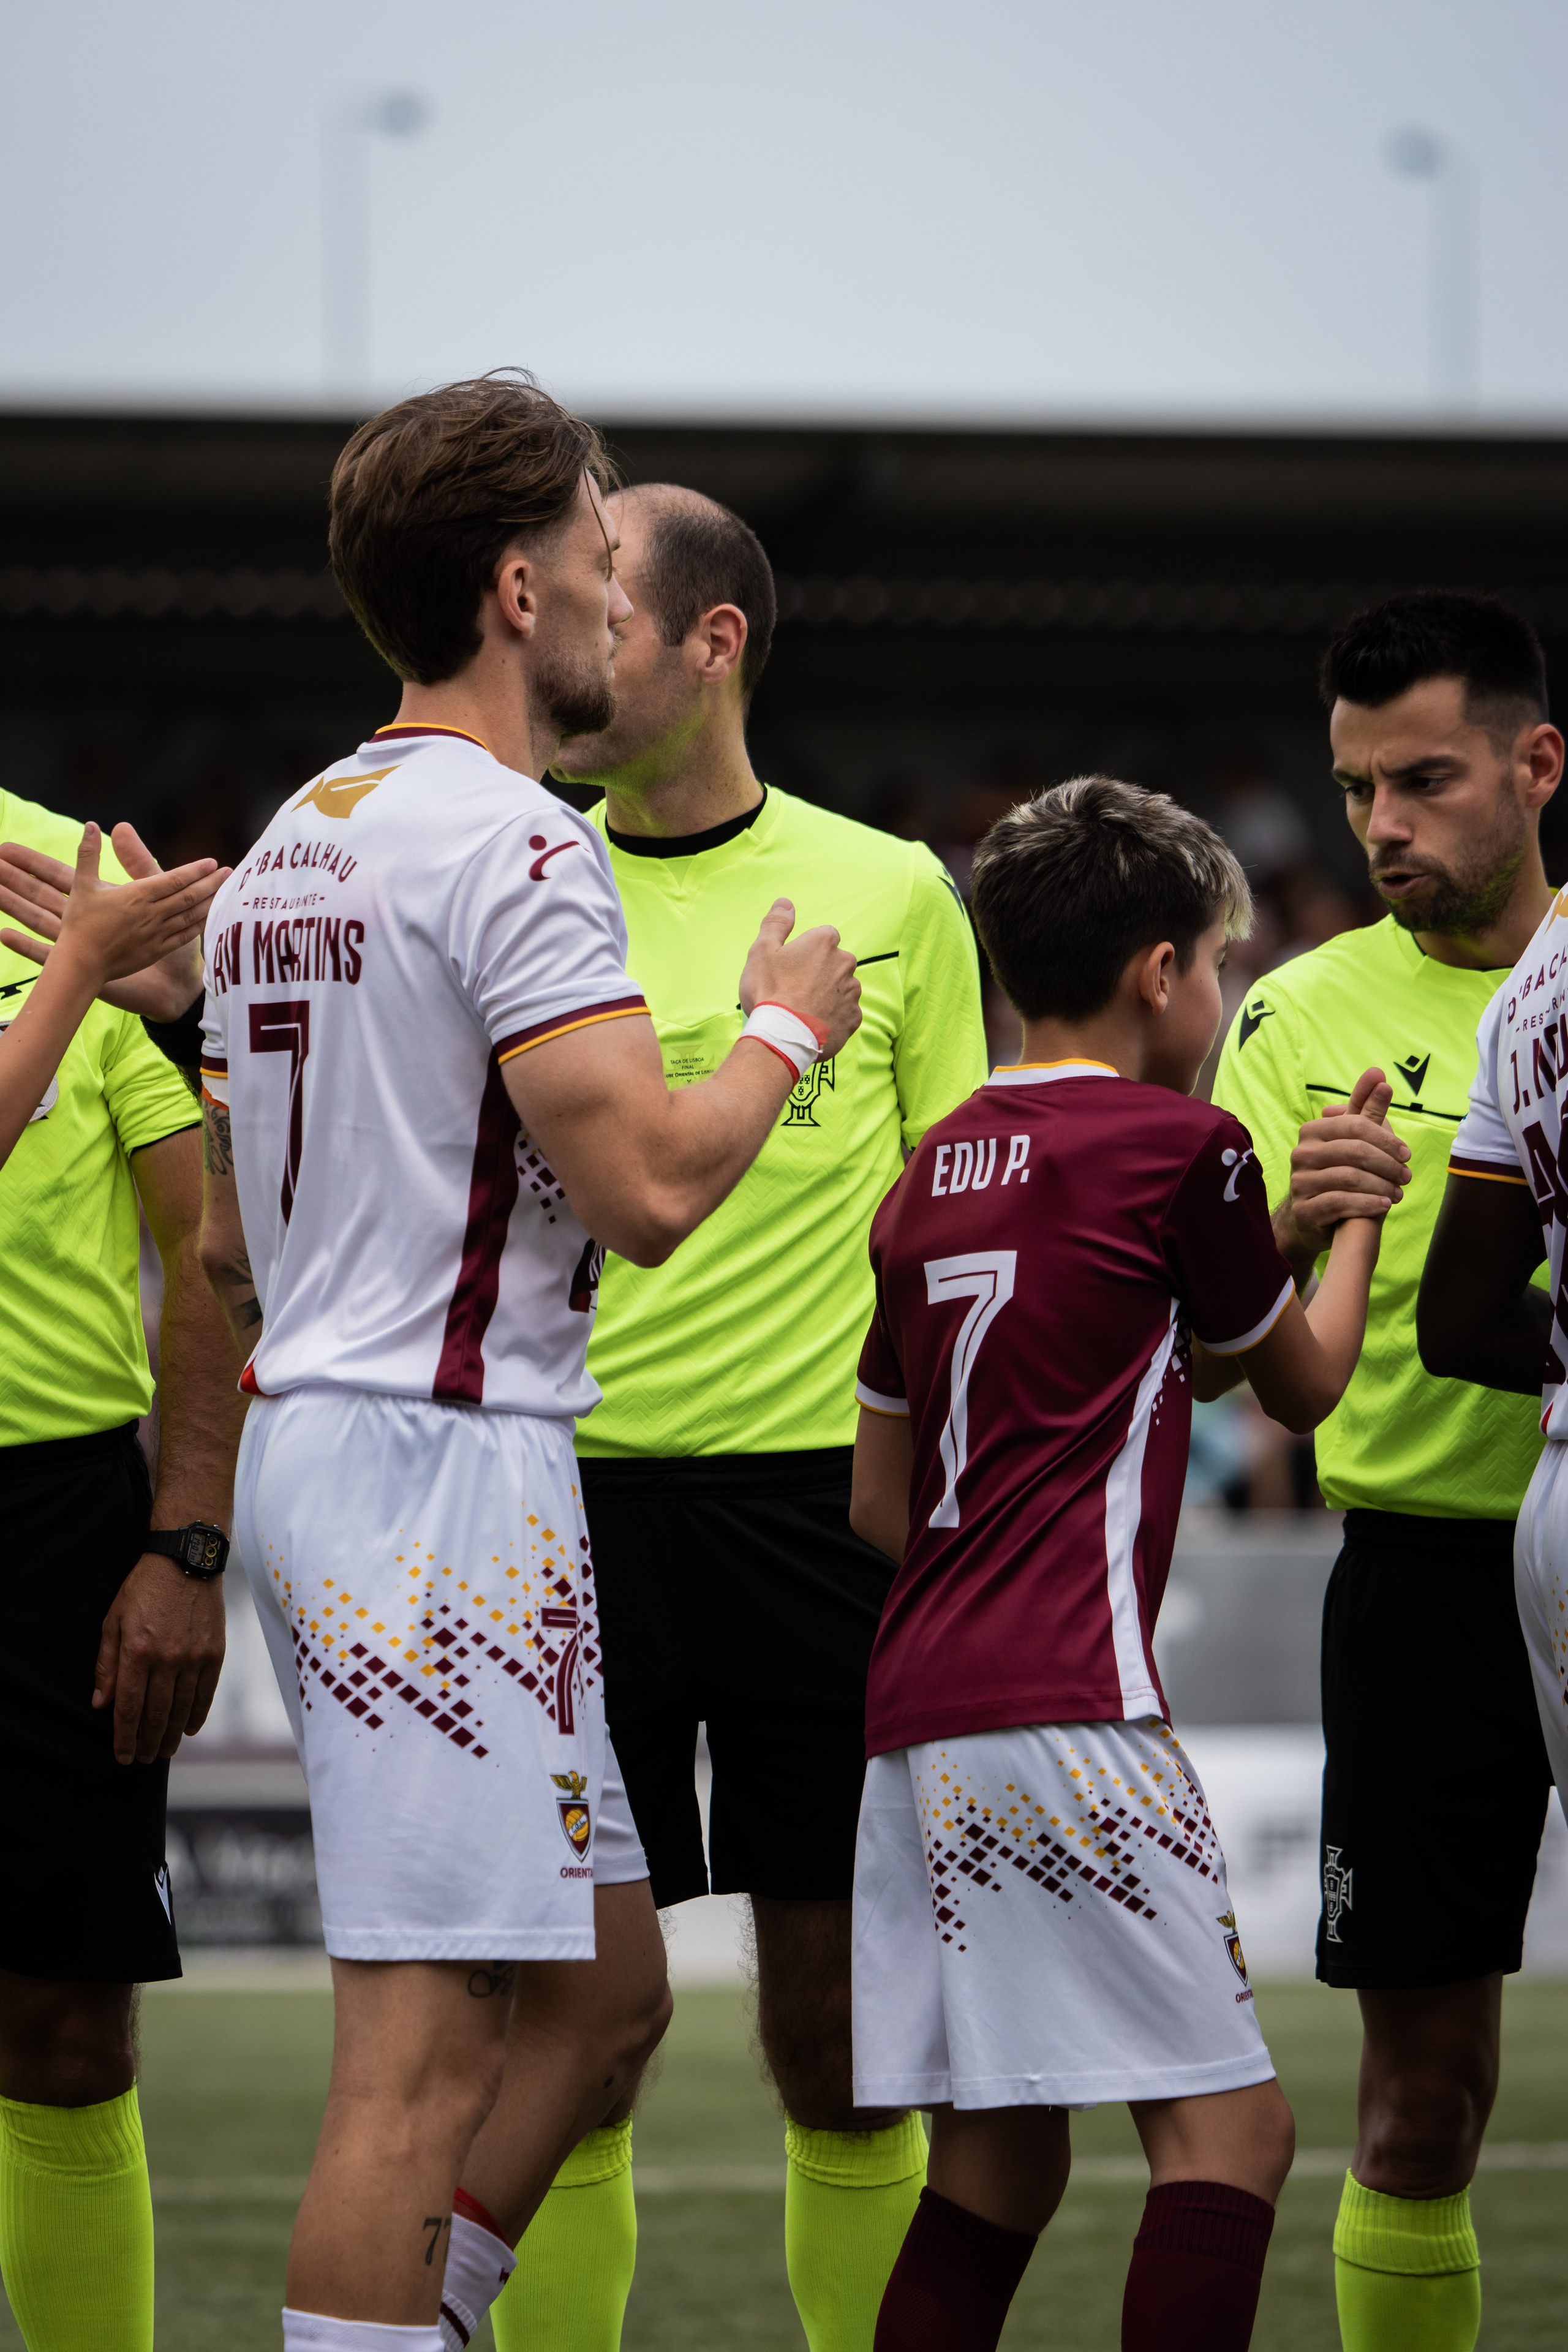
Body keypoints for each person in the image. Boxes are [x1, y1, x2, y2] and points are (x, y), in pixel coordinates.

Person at [194, 375, 862, 2352]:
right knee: (417, 2060)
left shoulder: (287, 848)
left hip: (370, 1452)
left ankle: (433, 2317)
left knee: (604, 1996)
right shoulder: (523, 848)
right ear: (514, 589)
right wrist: (785, 1030)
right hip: (442, 1483)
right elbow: (653, 1187)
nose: (606, 599)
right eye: (590, 559)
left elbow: (230, 1250)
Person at [490, 481, 987, 2352]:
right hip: (558, 1507)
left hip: (820, 1517)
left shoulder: (890, 891)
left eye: (601, 612)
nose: (561, 644)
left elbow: (958, 1218)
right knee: (570, 2038)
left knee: (839, 2037)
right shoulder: (511, 864)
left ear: (713, 642)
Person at [846, 777, 1387, 2351]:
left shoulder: (929, 1166)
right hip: (1068, 1695)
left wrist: (1263, 1248)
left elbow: (884, 1497)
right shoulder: (1185, 1145)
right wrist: (1342, 1215)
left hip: (916, 1711)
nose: (1219, 993)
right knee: (1232, 2141)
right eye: (1214, 961)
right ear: (1160, 970)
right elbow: (1296, 1384)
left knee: (999, 2158)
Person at [1212, 590, 1562, 2352]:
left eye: (1424, 780)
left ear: (1537, 763)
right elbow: (1241, 1367)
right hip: (1423, 1586)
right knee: (1423, 2103)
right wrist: (1294, 1226)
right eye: (1357, 793)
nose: (1384, 828)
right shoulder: (1295, 1015)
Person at [0, 809, 247, 2352]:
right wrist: (74, 976)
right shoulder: (83, 934)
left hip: (53, 1520)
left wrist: (184, 1539)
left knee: (72, 2031)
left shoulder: (77, 876)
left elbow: (214, 1247)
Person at [0, 821, 226, 1166]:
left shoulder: (106, 886)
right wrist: (80, 964)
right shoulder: (95, 933)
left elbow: (218, 1214)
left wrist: (188, 1016)